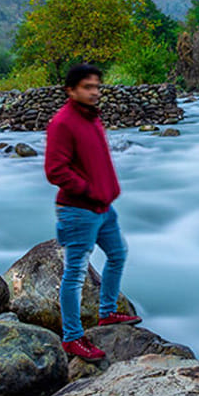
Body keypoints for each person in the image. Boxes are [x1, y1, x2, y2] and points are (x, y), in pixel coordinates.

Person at [44, 63, 141, 361]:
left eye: (97, 86)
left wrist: (106, 191)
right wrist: (89, 189)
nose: (95, 92)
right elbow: (55, 170)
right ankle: (73, 337)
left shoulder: (91, 119)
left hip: (103, 207)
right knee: (74, 274)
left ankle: (107, 312)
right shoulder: (63, 123)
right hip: (78, 209)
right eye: (88, 87)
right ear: (71, 90)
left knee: (118, 254)